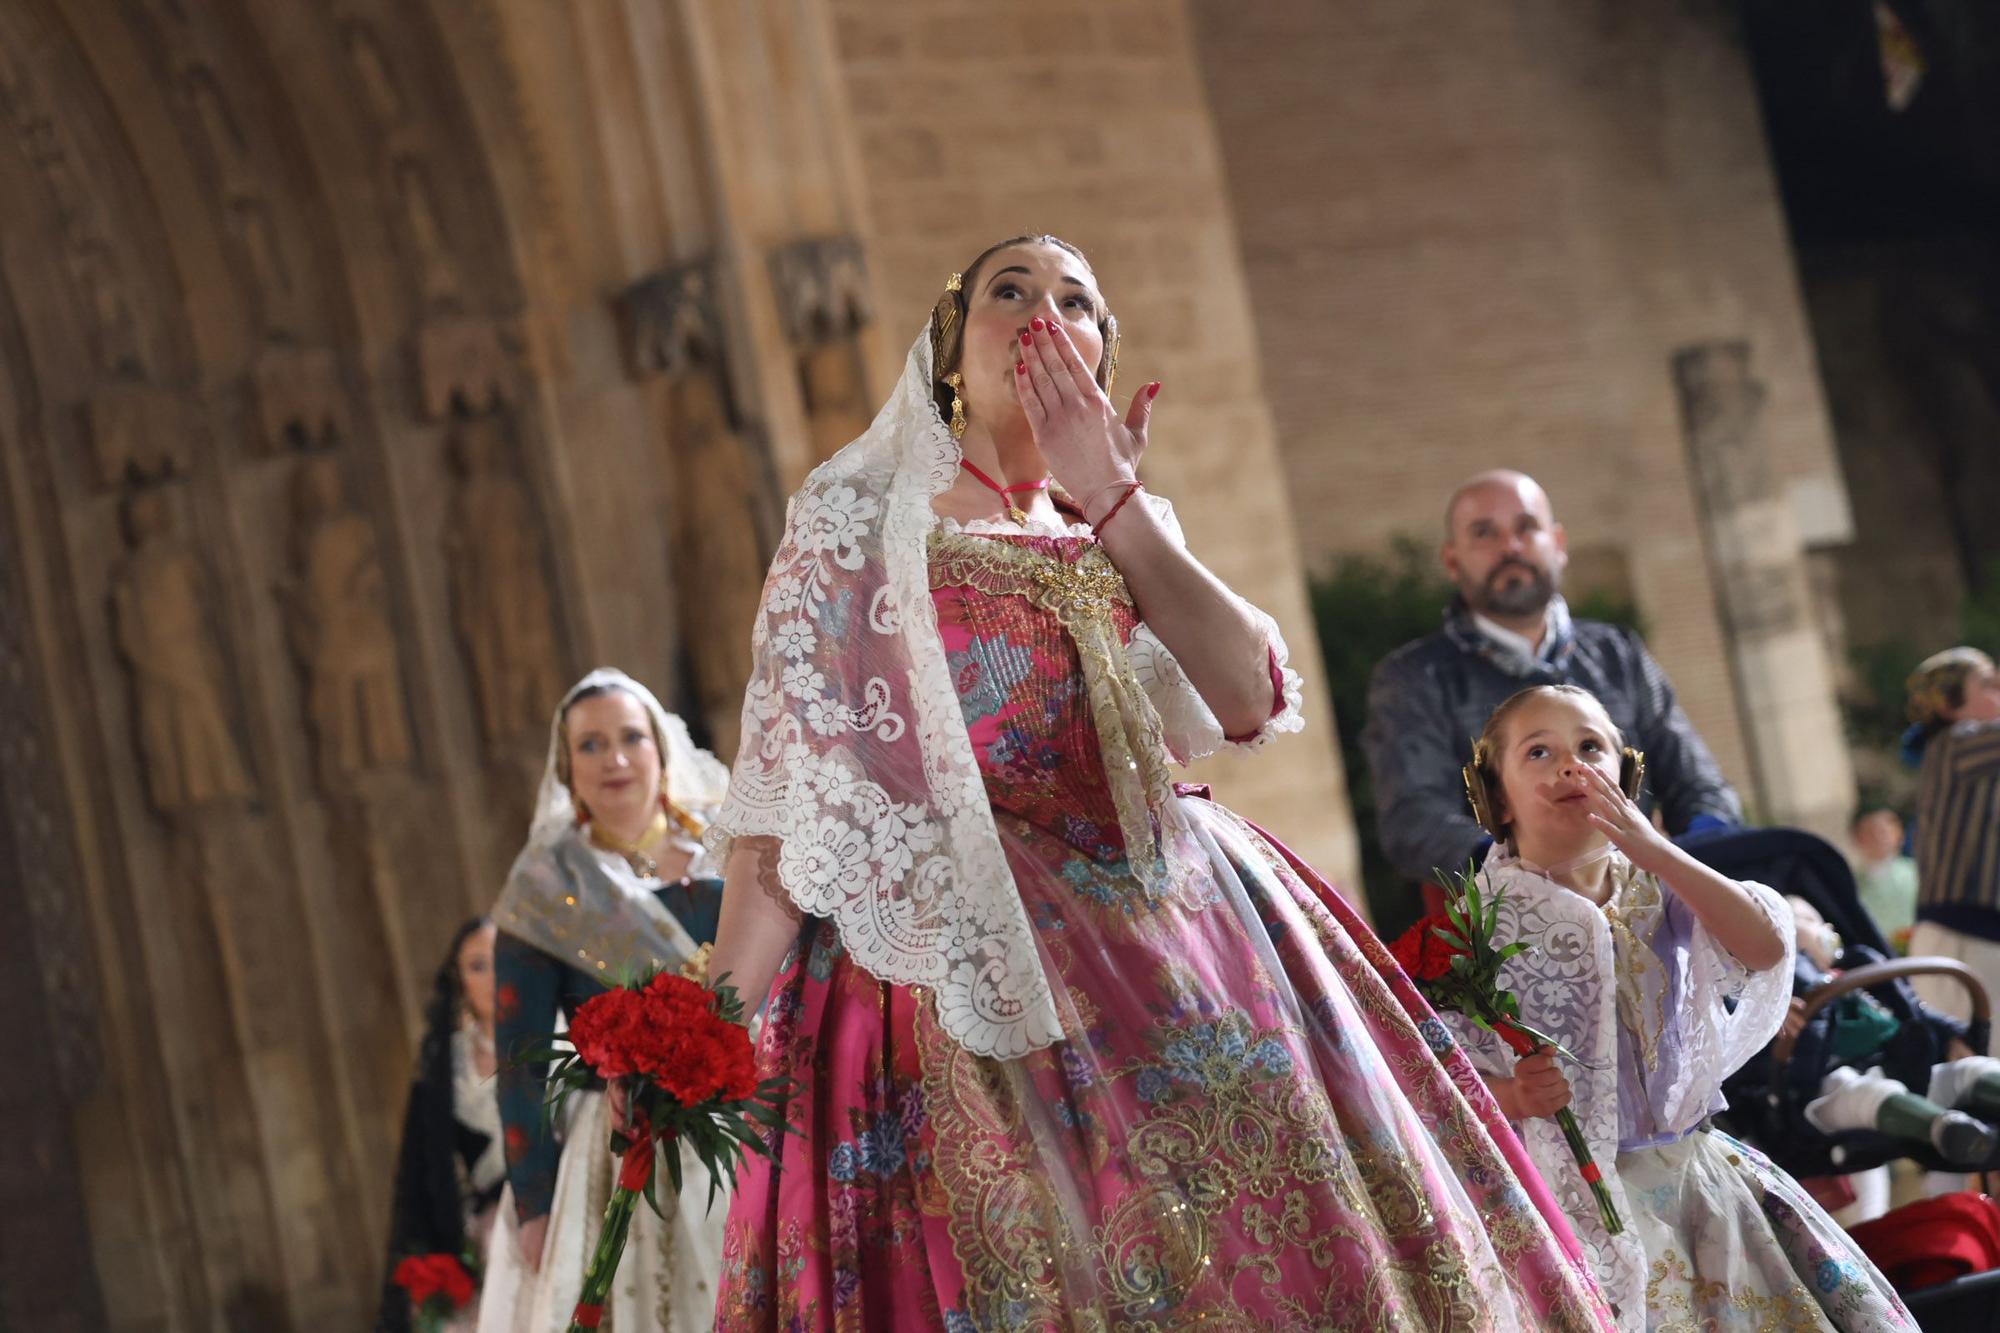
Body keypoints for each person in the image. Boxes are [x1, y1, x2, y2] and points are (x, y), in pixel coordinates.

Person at [696, 235, 1612, 1329]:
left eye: (1076, 301)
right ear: (948, 350)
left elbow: (1245, 699)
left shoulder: (1122, 522)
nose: (1044, 313)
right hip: (971, 967)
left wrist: (1113, 496)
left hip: (1187, 929)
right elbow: (789, 814)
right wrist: (700, 1034)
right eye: (1009, 292)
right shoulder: (857, 520)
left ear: (1099, 353)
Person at [1443, 683, 1911, 1330]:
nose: (1571, 766)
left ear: (1626, 776)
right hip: (1579, 1205)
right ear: (1496, 796)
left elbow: (1765, 946)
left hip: (1700, 1182)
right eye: (1539, 752)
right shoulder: (1481, 923)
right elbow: (1442, 1077)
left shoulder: (1662, 885)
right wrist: (1517, 1096)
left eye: (1590, 746)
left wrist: (1655, 849)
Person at [476, 669, 730, 1333]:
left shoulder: (730, 850)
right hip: (625, 1142)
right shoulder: (543, 887)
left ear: (660, 747)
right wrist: (534, 1201)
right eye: (590, 745)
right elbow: (521, 1060)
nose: (614, 758)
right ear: (566, 767)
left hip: (746, 1114)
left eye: (630, 737)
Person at [1361, 470, 1740, 908]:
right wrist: (1531, 873)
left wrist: (1688, 862)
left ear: (1558, 544)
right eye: (1485, 533)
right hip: (1510, 928)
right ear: (1452, 562)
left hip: (1650, 901)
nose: (1511, 547)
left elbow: (1701, 784)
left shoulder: (1619, 654)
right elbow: (1414, 821)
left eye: (1526, 528)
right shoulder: (1413, 679)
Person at [378, 919, 506, 1331]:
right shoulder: (448, 1066)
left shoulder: (559, 1037)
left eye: (501, 959)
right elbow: (422, 1168)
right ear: (460, 980)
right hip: (494, 1233)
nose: (493, 976)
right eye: (477, 966)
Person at [1903, 647, 2000, 1032]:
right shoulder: (1957, 743)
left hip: (1978, 935)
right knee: (1971, 1071)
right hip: (1959, 938)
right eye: (1989, 684)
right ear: (1949, 705)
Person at [1850, 806, 1918, 947]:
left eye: (1883, 832)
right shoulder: (1849, 881)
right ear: (1858, 838)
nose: (1878, 839)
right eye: (1870, 833)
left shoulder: (1916, 873)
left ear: (1898, 835)